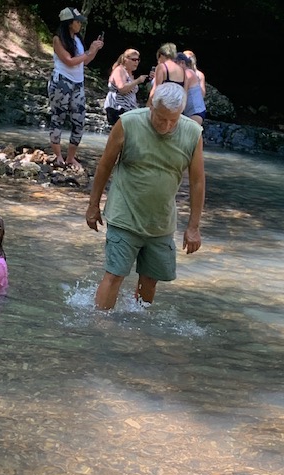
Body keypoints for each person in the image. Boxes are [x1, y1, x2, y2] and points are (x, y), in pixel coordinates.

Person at [85, 83, 205, 310]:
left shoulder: (192, 133)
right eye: (161, 118)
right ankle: (99, 324)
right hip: (124, 214)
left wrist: (193, 226)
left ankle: (139, 323)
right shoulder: (128, 123)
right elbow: (105, 166)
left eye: (173, 120)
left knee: (150, 279)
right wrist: (93, 205)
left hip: (160, 222)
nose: (166, 126)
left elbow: (198, 182)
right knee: (115, 274)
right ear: (151, 106)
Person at [48, 7, 104, 169]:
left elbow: (84, 62)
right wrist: (89, 51)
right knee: (58, 118)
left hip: (78, 84)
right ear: (69, 23)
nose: (80, 24)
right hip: (61, 82)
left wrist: (94, 50)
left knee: (79, 121)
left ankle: (70, 158)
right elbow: (69, 61)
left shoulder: (78, 39)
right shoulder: (58, 39)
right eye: (77, 21)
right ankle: (58, 156)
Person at [103, 49, 148, 126]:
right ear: (125, 59)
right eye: (133, 60)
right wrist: (138, 81)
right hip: (118, 108)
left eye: (138, 60)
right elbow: (122, 89)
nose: (136, 62)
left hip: (128, 109)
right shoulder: (120, 70)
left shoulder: (129, 73)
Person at [176, 52, 207, 125]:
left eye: (175, 64)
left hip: (196, 112)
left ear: (182, 63)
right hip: (189, 112)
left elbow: (183, 94)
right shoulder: (184, 73)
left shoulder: (188, 73)